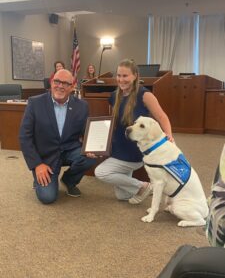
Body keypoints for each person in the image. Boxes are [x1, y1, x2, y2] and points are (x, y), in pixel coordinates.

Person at [94, 59, 173, 204]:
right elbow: (112, 124)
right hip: (118, 148)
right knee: (122, 196)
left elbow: (161, 116)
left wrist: (169, 135)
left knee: (101, 172)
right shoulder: (114, 96)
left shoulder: (144, 95)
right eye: (118, 75)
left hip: (134, 151)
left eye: (125, 76)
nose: (121, 79)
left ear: (135, 76)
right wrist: (98, 143)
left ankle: (144, 186)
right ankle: (135, 184)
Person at [20, 69, 96, 204]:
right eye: (57, 81)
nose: (60, 86)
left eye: (66, 83)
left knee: (89, 159)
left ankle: (68, 181)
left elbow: (85, 132)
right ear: (51, 82)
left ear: (72, 87)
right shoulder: (35, 103)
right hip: (46, 156)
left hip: (69, 150)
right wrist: (37, 164)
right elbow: (25, 137)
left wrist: (92, 146)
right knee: (48, 198)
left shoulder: (82, 106)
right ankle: (38, 175)